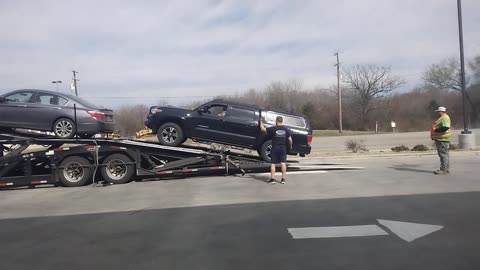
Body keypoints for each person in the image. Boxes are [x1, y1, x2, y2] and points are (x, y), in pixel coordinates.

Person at [260, 115, 293, 184]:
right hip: (283, 148)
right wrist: (290, 146)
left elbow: (263, 129)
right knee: (283, 163)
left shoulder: (273, 129)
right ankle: (283, 179)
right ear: (282, 121)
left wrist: (261, 121)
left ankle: (272, 179)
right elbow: (290, 140)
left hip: (275, 148)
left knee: (273, 163)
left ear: (276, 121)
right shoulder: (286, 129)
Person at [430, 106, 451, 175]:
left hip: (443, 139)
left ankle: (443, 169)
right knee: (444, 154)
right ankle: (445, 169)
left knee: (443, 155)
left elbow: (445, 127)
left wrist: (436, 130)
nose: (437, 113)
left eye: (438, 112)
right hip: (441, 139)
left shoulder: (445, 118)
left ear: (441, 111)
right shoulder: (442, 118)